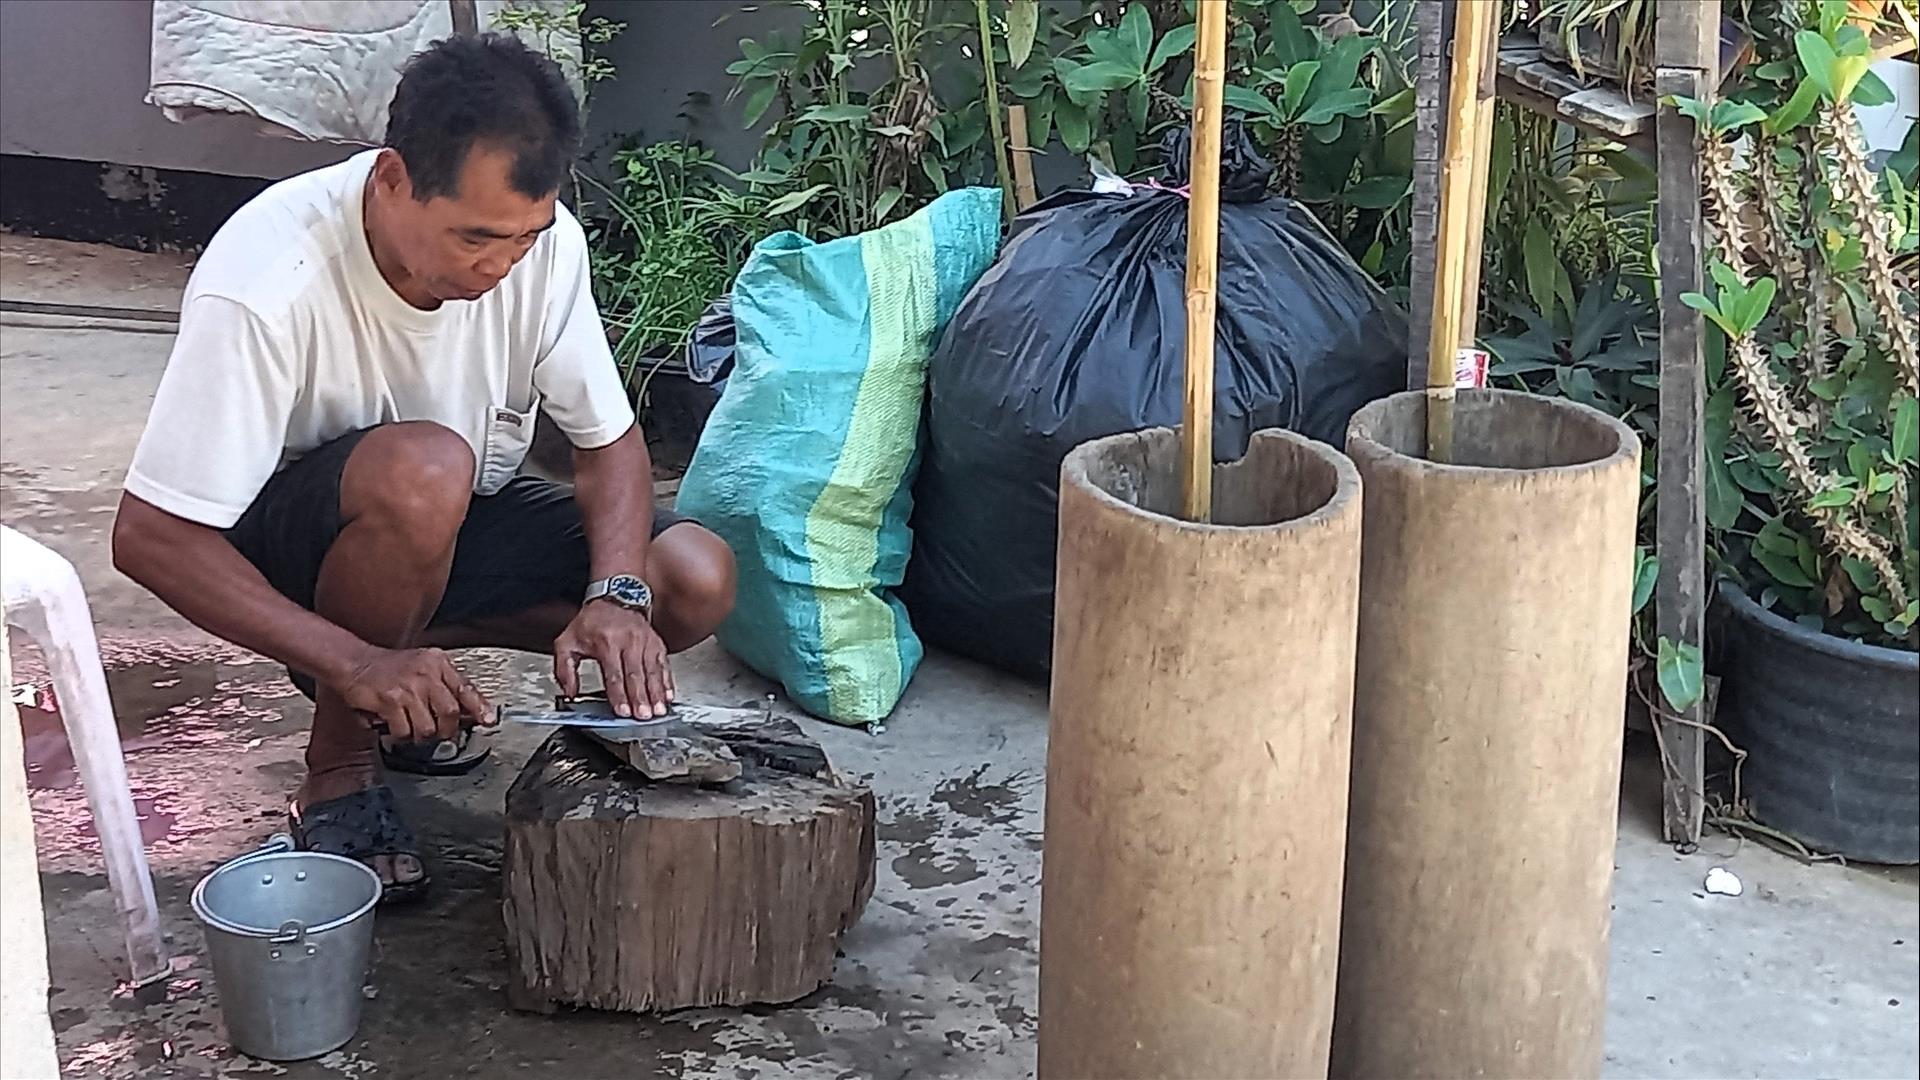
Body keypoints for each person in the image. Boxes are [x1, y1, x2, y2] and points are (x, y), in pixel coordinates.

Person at [110, 33, 737, 902]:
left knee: (692, 578)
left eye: (523, 238)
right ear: (393, 178)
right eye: (475, 238)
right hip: (298, 552)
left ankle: (408, 680)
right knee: (425, 468)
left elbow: (609, 442)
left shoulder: (541, 249)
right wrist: (354, 660)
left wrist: (615, 596)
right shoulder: (266, 278)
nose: (498, 266)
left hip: (445, 519)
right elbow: (150, 537)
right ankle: (338, 766)